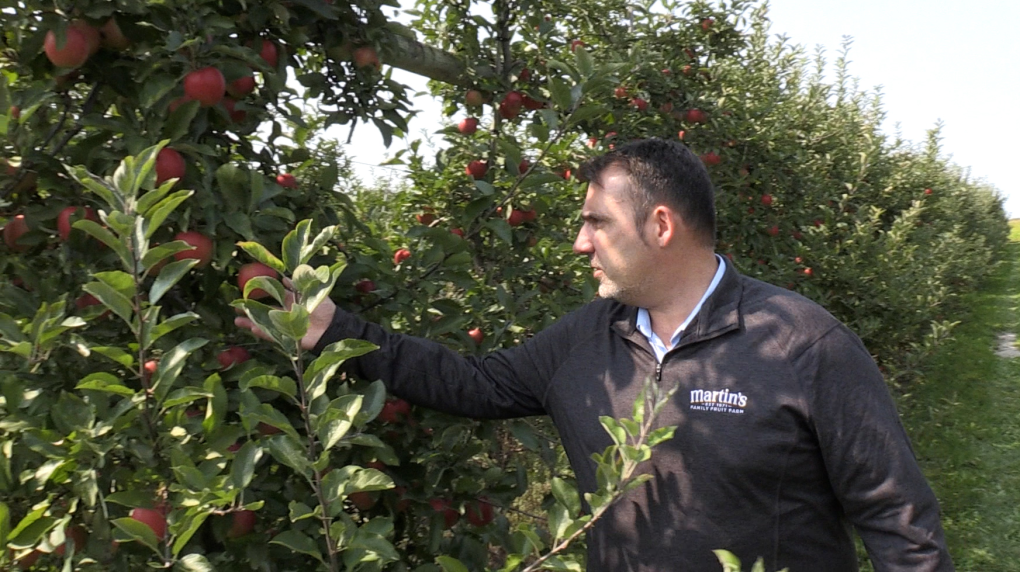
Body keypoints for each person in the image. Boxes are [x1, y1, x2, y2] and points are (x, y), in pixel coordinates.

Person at [236, 138, 954, 571]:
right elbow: (475, 384)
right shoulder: (588, 338)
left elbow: (898, 519)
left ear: (661, 225)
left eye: (595, 222)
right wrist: (335, 331)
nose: (579, 242)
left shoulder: (800, 343)